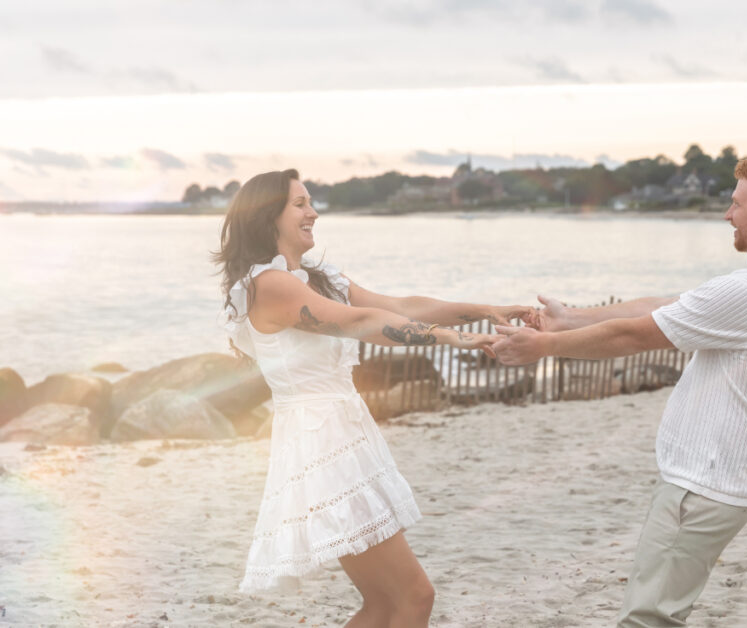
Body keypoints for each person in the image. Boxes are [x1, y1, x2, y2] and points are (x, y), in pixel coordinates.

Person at [494, 152, 747, 626]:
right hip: (719, 481)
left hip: (701, 486)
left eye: (736, 203)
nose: (727, 214)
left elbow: (634, 336)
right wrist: (573, 317)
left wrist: (544, 345)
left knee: (647, 620)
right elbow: (665, 306)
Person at [215, 169, 529, 627]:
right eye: (300, 204)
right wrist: (449, 338)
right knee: (414, 597)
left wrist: (485, 311)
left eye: (310, 202)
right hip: (322, 447)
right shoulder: (269, 285)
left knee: (384, 605)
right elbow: (360, 322)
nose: (313, 212)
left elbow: (401, 307)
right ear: (268, 216)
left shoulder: (313, 279)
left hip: (346, 437)